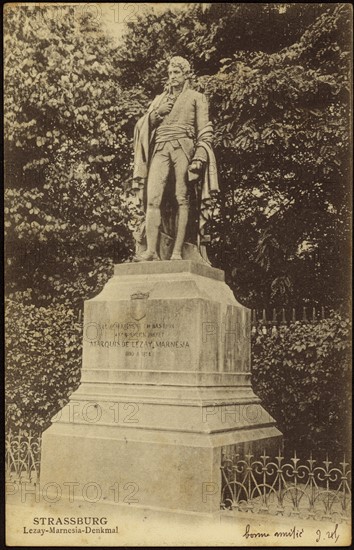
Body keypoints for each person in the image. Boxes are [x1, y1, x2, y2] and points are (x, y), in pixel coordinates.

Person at [131, 56, 218, 262]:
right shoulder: (159, 100)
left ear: (186, 74)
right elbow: (142, 127)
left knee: (182, 198)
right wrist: (155, 115)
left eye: (177, 72)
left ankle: (178, 252)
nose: (172, 77)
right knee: (152, 198)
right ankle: (151, 251)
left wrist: (199, 156)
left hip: (184, 148)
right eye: (170, 73)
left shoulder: (197, 97)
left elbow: (205, 131)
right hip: (160, 148)